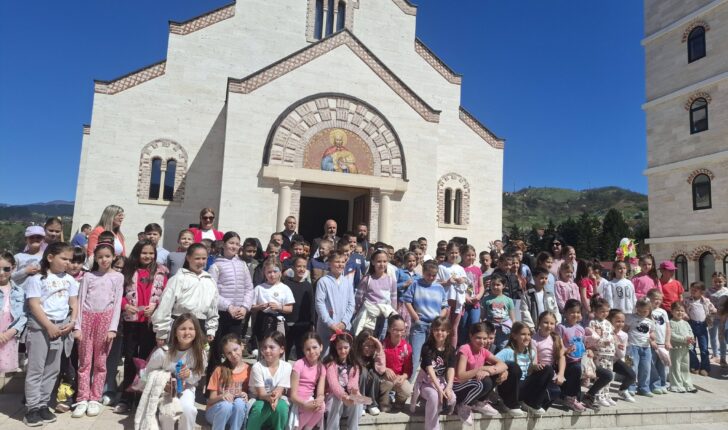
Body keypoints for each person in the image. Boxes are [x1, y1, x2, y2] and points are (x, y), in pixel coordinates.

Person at [23, 242, 79, 427]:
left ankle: (43, 404)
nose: (68, 263)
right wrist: (48, 326)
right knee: (36, 369)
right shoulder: (37, 278)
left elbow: (73, 302)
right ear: (50, 257)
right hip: (41, 327)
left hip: (60, 328)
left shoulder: (70, 280)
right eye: (64, 259)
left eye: (70, 260)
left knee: (52, 369)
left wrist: (72, 321)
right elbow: (34, 304)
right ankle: (32, 408)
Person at [116, 240, 169, 412]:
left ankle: (142, 395)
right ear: (137, 253)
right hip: (131, 321)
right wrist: (125, 305)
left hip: (150, 322)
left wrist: (155, 306)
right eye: (144, 253)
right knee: (130, 358)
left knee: (147, 360)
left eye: (151, 253)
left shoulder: (161, 271)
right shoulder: (128, 270)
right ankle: (126, 397)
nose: (148, 256)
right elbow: (119, 293)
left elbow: (166, 295)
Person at [72, 242, 124, 418]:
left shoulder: (118, 277)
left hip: (106, 320)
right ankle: (82, 398)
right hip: (86, 319)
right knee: (84, 361)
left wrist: (112, 328)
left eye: (107, 256)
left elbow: (117, 304)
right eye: (100, 257)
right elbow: (80, 301)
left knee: (100, 363)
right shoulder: (88, 276)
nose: (104, 260)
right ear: (95, 258)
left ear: (113, 257)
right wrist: (77, 326)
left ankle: (95, 397)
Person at [142, 314, 206, 430]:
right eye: (183, 329)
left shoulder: (199, 353)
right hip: (165, 391)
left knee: (188, 410)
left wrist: (189, 375)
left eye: (191, 329)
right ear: (175, 332)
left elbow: (198, 375)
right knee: (167, 413)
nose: (187, 332)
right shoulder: (163, 352)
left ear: (196, 331)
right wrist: (163, 383)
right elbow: (147, 373)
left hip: (186, 388)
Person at [152, 243, 219, 345]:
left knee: (197, 354)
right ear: (188, 258)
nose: (201, 262)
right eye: (197, 258)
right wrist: (161, 331)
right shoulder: (178, 279)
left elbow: (213, 308)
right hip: (180, 324)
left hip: (200, 326)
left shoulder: (210, 281)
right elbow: (165, 305)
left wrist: (211, 329)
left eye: (204, 258)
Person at [208, 232, 254, 371]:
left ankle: (232, 378)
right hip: (221, 314)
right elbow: (212, 292)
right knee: (217, 350)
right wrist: (228, 306)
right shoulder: (216, 265)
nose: (234, 246)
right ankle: (213, 380)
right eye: (231, 243)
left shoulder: (242, 265)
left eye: (237, 244)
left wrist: (245, 307)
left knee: (234, 350)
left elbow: (249, 288)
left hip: (238, 314)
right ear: (224, 244)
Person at [496, 321, 556, 417]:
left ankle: (532, 403)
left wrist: (534, 367)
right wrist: (503, 370)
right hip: (508, 389)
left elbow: (528, 373)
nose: (527, 337)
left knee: (547, 369)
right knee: (514, 367)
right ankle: (510, 404)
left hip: (522, 389)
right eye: (523, 334)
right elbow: (493, 364)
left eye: (529, 334)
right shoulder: (507, 352)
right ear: (514, 336)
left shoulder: (531, 353)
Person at [453, 322, 506, 423]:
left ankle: (479, 402)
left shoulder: (483, 351)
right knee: (484, 382)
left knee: (494, 375)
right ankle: (462, 405)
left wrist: (490, 372)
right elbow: (460, 376)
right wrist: (481, 369)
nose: (482, 341)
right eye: (478, 338)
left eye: (485, 338)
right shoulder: (465, 349)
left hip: (472, 385)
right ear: (471, 336)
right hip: (458, 387)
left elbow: (503, 365)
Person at [402, 260, 448, 375]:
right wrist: (415, 316)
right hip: (420, 325)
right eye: (428, 274)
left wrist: (439, 319)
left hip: (434, 327)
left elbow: (445, 307)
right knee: (415, 356)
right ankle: (410, 381)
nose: (431, 277)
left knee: (431, 356)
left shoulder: (439, 287)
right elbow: (407, 301)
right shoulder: (416, 284)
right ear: (423, 272)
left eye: (434, 275)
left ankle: (428, 380)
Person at [410, 316, 456, 430]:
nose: (439, 333)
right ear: (432, 331)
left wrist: (448, 387)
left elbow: (451, 369)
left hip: (440, 381)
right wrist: (440, 390)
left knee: (452, 398)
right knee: (434, 396)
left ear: (448, 332)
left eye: (443, 330)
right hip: (425, 382)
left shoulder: (451, 349)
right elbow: (430, 370)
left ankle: (433, 407)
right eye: (436, 330)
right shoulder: (427, 347)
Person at [247, 331, 292, 430]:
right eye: (264, 347)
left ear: (281, 349)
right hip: (259, 399)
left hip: (276, 399)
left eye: (271, 347)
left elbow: (280, 389)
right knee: (260, 408)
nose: (267, 350)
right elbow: (261, 394)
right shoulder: (257, 367)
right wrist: (271, 398)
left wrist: (275, 397)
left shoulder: (287, 367)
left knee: (282, 407)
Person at [205, 334, 250, 430]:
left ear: (242, 346)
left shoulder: (249, 370)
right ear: (225, 355)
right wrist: (222, 396)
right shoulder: (219, 370)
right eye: (229, 353)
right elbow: (210, 400)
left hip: (235, 414)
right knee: (226, 405)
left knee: (240, 402)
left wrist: (247, 396)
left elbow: (254, 395)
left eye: (235, 349)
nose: (233, 354)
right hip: (215, 412)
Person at [315, 252, 355, 354]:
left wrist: (344, 322)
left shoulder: (347, 282)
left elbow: (351, 304)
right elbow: (320, 304)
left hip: (343, 326)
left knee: (342, 354)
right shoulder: (323, 281)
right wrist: (330, 323)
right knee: (325, 355)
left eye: (343, 262)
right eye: (337, 262)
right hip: (326, 326)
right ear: (330, 263)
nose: (340, 264)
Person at [353, 250, 397, 338]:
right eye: (379, 261)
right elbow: (358, 298)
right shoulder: (367, 279)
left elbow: (393, 299)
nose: (382, 264)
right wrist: (356, 312)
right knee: (367, 339)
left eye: (384, 261)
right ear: (373, 262)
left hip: (384, 317)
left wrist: (393, 316)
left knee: (381, 339)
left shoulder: (391, 280)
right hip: (368, 316)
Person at [324, 330, 363, 430]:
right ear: (335, 348)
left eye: (346, 347)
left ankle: (353, 428)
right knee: (336, 399)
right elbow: (334, 385)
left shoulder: (354, 365)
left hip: (348, 401)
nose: (343, 351)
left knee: (358, 398)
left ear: (350, 347)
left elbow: (353, 383)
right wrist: (343, 396)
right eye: (340, 348)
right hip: (334, 399)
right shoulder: (331, 365)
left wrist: (353, 393)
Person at [251, 258, 294, 346]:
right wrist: (260, 307)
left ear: (280, 272)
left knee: (278, 345)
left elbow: (290, 309)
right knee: (264, 346)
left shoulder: (285, 288)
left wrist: (279, 307)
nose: (272, 275)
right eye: (269, 272)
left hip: (278, 322)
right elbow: (251, 307)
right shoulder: (259, 288)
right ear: (264, 273)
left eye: (275, 271)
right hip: (262, 321)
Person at [288, 332, 325, 430]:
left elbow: (320, 392)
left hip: (309, 399)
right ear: (303, 351)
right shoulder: (299, 364)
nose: (311, 351)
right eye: (308, 349)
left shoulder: (321, 368)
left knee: (321, 406)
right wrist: (304, 405)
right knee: (310, 407)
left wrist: (320, 398)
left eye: (315, 347)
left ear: (321, 347)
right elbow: (293, 395)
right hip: (297, 402)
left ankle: (308, 428)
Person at [585, 297, 618, 407]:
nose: (605, 313)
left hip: (610, 353)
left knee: (610, 374)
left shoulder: (608, 323)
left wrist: (618, 344)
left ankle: (606, 394)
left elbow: (612, 335)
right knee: (601, 376)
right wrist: (602, 342)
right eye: (602, 311)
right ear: (595, 311)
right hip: (599, 353)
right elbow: (591, 338)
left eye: (607, 311)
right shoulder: (593, 323)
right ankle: (598, 395)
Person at [555, 299, 587, 412]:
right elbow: (558, 346)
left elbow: (583, 345)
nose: (575, 315)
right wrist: (566, 350)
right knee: (576, 369)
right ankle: (569, 398)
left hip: (579, 361)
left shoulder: (581, 328)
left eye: (578, 312)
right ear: (565, 312)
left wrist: (589, 352)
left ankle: (574, 398)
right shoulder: (561, 327)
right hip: (566, 362)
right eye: (572, 312)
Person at [283, 257, 315, 360]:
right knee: (284, 352)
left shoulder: (308, 285)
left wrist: (312, 323)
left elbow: (312, 305)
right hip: (288, 324)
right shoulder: (286, 284)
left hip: (303, 325)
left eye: (304, 267)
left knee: (302, 354)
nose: (301, 269)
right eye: (299, 266)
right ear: (293, 268)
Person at [379, 314, 413, 412]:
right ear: (389, 329)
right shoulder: (383, 345)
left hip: (399, 378)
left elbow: (408, 369)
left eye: (402, 330)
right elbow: (377, 363)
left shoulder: (406, 347)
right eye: (395, 330)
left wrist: (403, 377)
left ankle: (399, 402)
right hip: (385, 378)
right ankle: (384, 402)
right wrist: (385, 369)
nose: (399, 333)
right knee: (387, 384)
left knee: (407, 390)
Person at [0, 252, 27, 374]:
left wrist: (13, 331)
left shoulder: (19, 291)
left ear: (13, 267)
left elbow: (24, 315)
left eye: (6, 269)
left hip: (9, 334)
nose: (1, 273)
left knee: (4, 368)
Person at [531, 311, 567, 402]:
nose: (549, 326)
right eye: (546, 322)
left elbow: (561, 357)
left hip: (553, 369)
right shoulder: (534, 339)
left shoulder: (556, 338)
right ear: (539, 323)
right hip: (540, 371)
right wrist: (535, 365)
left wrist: (561, 374)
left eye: (552, 323)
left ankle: (569, 397)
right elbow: (533, 360)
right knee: (553, 391)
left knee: (556, 391)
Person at [437, 242, 468, 347]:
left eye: (456, 253)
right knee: (444, 326)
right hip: (446, 300)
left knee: (454, 328)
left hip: (457, 300)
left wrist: (462, 280)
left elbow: (465, 281)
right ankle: (441, 347)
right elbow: (435, 283)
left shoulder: (460, 268)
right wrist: (447, 282)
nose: (454, 255)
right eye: (451, 253)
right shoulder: (441, 267)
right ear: (446, 253)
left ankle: (452, 351)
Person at [684, 281, 716, 376]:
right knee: (691, 347)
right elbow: (682, 309)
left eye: (695, 290)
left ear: (701, 292)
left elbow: (713, 310)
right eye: (692, 290)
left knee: (704, 348)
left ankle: (705, 367)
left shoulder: (705, 301)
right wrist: (685, 315)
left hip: (702, 326)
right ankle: (694, 365)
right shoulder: (687, 300)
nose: (693, 292)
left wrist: (710, 317)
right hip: (690, 326)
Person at [625, 298, 656, 396]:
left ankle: (643, 388)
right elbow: (625, 330)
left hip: (646, 347)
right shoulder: (631, 318)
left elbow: (651, 332)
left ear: (649, 310)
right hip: (632, 346)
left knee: (646, 368)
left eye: (645, 311)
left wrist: (653, 338)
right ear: (636, 308)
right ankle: (630, 387)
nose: (642, 313)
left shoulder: (650, 321)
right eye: (640, 311)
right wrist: (624, 342)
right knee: (631, 367)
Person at [606, 309, 637, 402]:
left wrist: (629, 363)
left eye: (622, 321)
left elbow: (623, 354)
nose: (620, 324)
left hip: (616, 360)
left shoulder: (624, 335)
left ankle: (623, 390)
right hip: (604, 359)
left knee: (632, 375)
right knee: (607, 377)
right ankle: (600, 394)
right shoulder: (606, 331)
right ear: (610, 320)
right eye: (618, 321)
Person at [354, 329, 386, 416]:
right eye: (367, 345)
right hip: (354, 396)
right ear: (360, 344)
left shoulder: (374, 356)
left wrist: (379, 348)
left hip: (369, 396)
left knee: (375, 374)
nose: (370, 349)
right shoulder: (354, 355)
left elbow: (381, 370)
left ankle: (371, 404)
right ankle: (361, 405)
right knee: (363, 371)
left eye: (373, 346)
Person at [646, 288, 671, 395]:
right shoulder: (646, 311)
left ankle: (662, 384)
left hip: (662, 343)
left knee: (662, 365)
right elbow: (645, 328)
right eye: (655, 299)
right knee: (652, 365)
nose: (658, 301)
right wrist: (651, 341)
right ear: (649, 298)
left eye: (660, 299)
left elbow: (668, 327)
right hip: (651, 344)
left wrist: (667, 341)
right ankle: (654, 385)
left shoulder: (663, 312)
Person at [482, 274, 515, 352]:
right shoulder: (486, 299)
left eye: (498, 285)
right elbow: (482, 316)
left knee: (503, 349)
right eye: (493, 284)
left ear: (503, 286)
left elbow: (513, 318)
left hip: (504, 330)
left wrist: (513, 329)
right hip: (490, 328)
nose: (495, 287)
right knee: (489, 348)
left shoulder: (509, 300)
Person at [668, 302, 697, 393]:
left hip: (686, 348)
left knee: (685, 366)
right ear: (672, 311)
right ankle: (676, 385)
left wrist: (691, 339)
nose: (680, 312)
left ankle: (687, 384)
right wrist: (684, 339)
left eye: (682, 311)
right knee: (675, 367)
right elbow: (672, 335)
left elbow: (690, 332)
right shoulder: (670, 323)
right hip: (676, 348)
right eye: (677, 310)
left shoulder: (686, 323)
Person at [459, 245, 484, 346]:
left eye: (473, 255)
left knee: (474, 325)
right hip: (463, 303)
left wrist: (479, 296)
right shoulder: (459, 268)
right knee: (463, 326)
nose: (471, 257)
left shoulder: (477, 269)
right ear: (462, 255)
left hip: (475, 303)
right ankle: (462, 347)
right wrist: (465, 297)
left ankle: (473, 347)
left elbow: (481, 286)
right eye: (468, 255)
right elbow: (457, 286)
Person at [707, 272, 728, 366]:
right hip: (711, 318)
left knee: (722, 338)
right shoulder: (708, 291)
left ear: (724, 281)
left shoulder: (727, 291)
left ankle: (723, 358)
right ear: (712, 281)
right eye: (715, 281)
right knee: (712, 337)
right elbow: (705, 303)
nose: (717, 283)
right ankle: (715, 355)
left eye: (720, 281)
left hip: (723, 318)